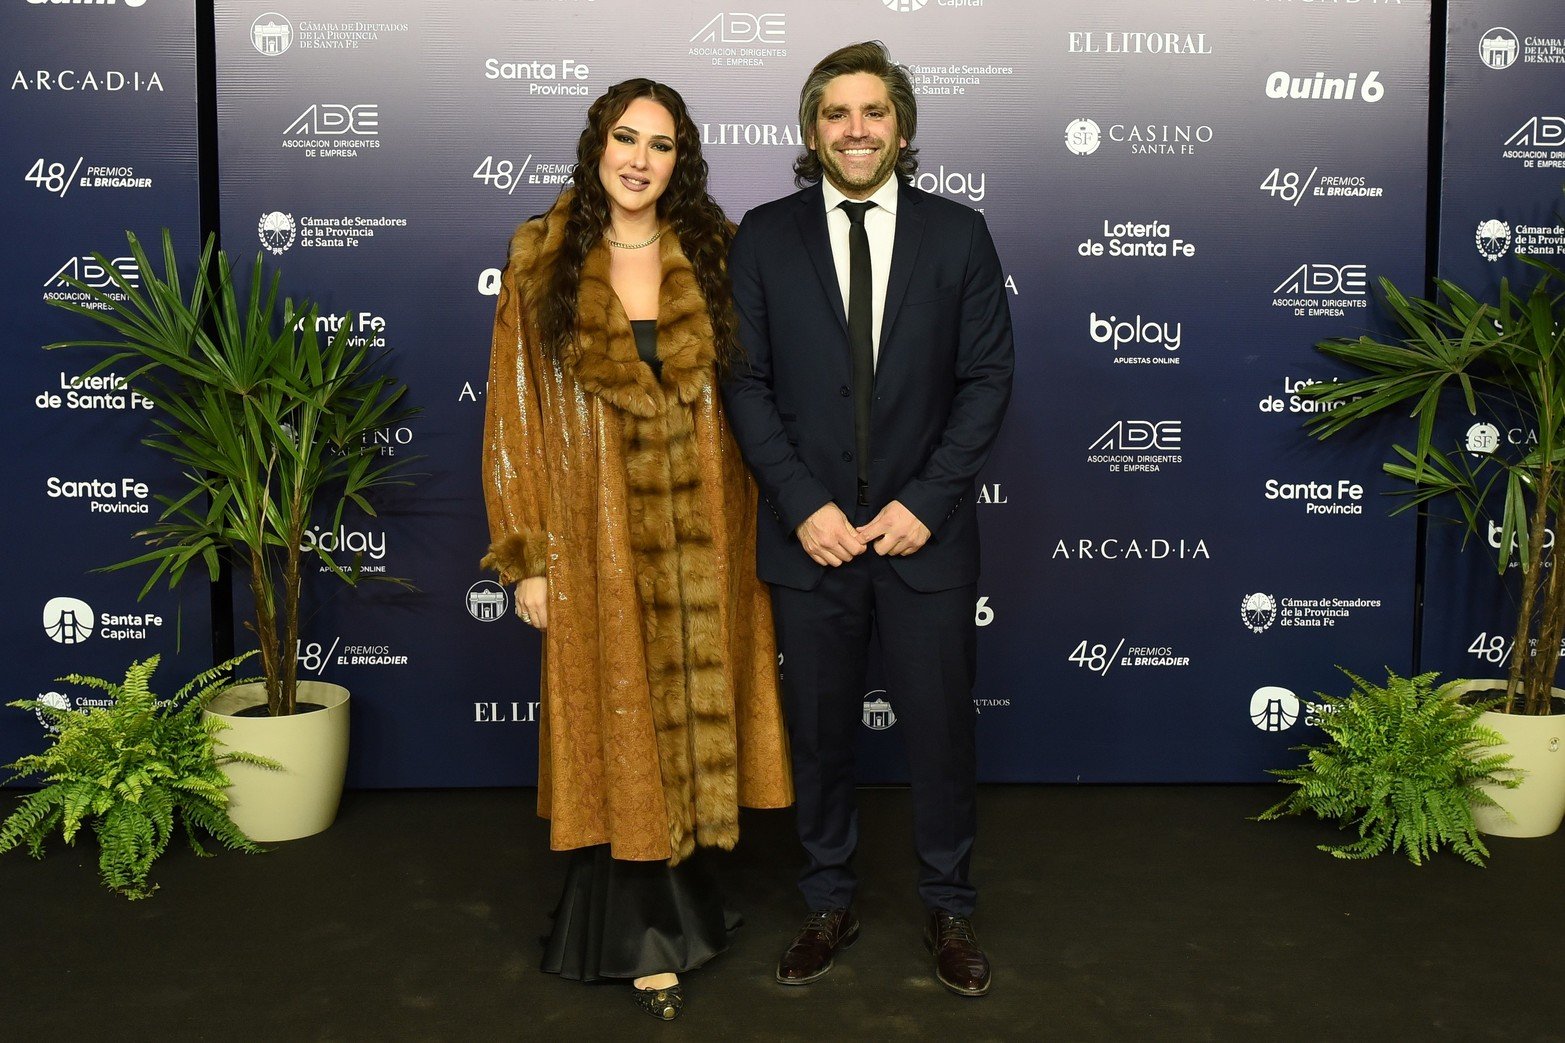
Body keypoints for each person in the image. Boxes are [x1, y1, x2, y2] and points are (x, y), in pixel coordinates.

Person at [481, 78, 792, 1021]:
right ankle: (638, 935)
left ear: (679, 160)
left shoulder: (716, 253)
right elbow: (512, 414)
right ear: (596, 143)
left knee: (690, 721)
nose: (638, 159)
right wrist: (525, 553)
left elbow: (759, 392)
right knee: (614, 718)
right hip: (594, 538)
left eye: (660, 145)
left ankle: (686, 910)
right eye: (625, 137)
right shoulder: (539, 259)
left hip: (707, 534)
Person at [720, 41, 1014, 998]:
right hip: (810, 544)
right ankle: (826, 901)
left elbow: (985, 383)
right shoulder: (761, 236)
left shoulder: (958, 235)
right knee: (819, 735)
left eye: (874, 112)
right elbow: (745, 385)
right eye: (837, 114)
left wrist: (922, 505)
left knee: (939, 733)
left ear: (902, 125)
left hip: (922, 542)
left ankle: (948, 903)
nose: (857, 130)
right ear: (813, 131)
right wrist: (802, 507)